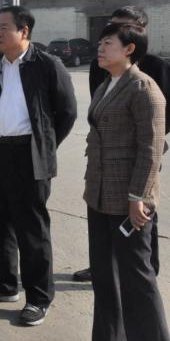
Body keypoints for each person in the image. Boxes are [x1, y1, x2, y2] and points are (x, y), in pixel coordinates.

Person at [0, 6, 76, 327]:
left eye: (4, 28)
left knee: (32, 230)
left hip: (28, 157)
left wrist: (43, 146)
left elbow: (67, 112)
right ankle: (3, 285)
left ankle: (38, 298)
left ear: (24, 31)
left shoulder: (47, 65)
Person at [84, 22, 169, 340]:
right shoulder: (107, 84)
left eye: (108, 43)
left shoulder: (143, 88)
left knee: (137, 279)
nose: (100, 48)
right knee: (104, 276)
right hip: (99, 195)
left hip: (129, 200)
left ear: (129, 48)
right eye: (99, 43)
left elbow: (151, 150)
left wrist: (138, 198)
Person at [73, 5, 170, 283]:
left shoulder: (151, 74)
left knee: (139, 233)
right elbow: (99, 110)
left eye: (120, 28)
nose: (105, 42)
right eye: (109, 28)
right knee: (105, 248)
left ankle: (148, 265)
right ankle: (107, 267)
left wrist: (140, 140)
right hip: (103, 166)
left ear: (137, 33)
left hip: (139, 153)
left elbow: (157, 123)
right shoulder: (102, 70)